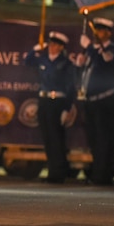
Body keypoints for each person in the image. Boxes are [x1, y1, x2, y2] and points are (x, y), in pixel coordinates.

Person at [76, 17, 114, 186]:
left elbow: (106, 62)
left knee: (106, 139)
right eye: (95, 30)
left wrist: (89, 47)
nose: (96, 34)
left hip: (107, 101)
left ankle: (104, 174)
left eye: (100, 30)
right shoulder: (91, 51)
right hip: (91, 101)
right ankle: (98, 171)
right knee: (94, 140)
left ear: (108, 32)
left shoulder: (113, 49)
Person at [24, 31, 74, 184]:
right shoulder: (43, 59)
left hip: (57, 101)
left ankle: (58, 172)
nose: (51, 47)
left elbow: (70, 87)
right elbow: (28, 61)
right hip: (44, 100)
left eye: (54, 45)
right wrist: (36, 48)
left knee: (56, 139)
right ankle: (52, 170)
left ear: (60, 47)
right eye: (50, 44)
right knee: (47, 138)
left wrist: (67, 108)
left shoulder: (65, 63)